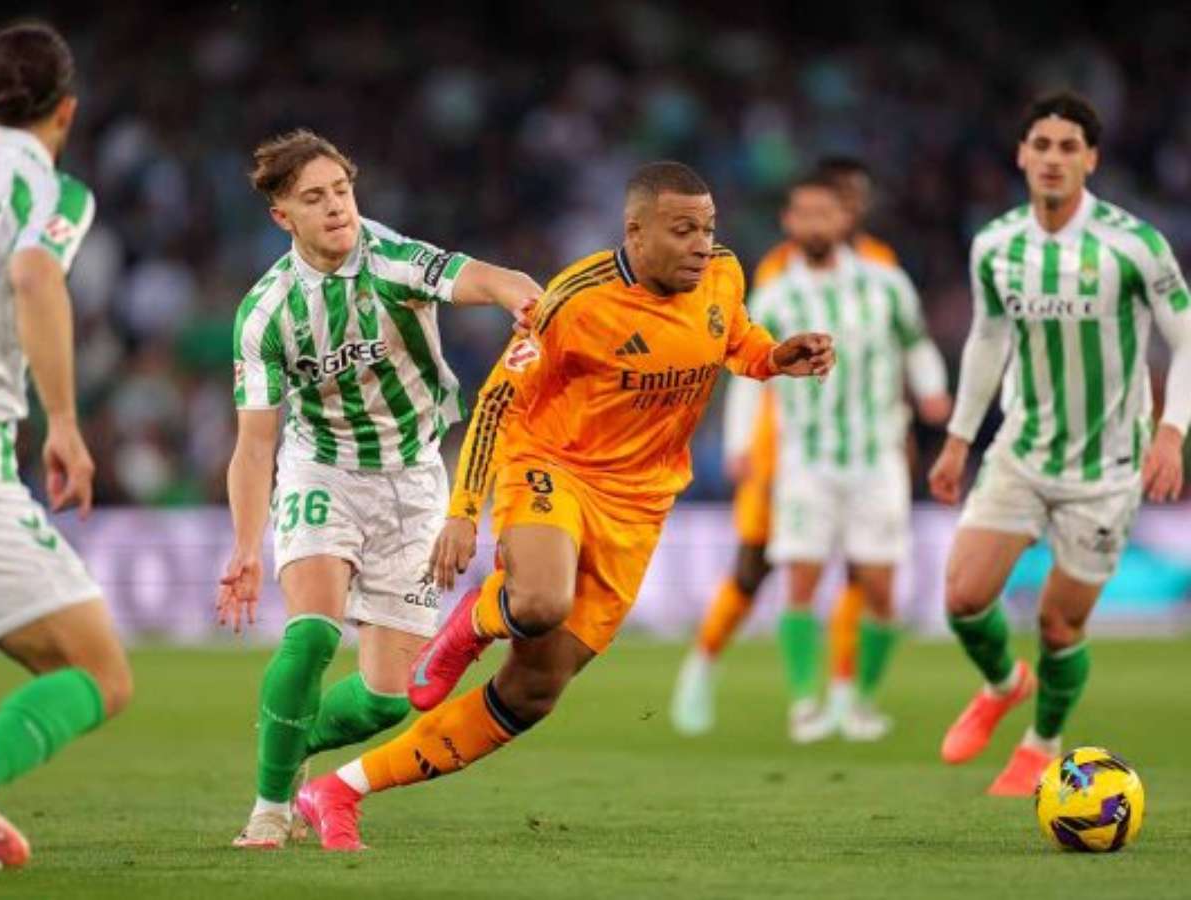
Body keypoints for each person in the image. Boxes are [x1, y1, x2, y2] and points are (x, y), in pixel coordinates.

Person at [293, 161, 835, 850]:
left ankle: (339, 790)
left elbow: (733, 336)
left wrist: (773, 357)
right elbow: (498, 398)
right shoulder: (573, 301)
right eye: (683, 231)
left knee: (532, 693)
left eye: (708, 229)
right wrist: (464, 509)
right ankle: (475, 620)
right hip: (555, 467)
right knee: (541, 601)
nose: (702, 245)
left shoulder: (724, 273)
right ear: (635, 232)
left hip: (640, 506)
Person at [215, 129, 541, 848]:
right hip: (322, 469)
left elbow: (486, 278)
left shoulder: (393, 259)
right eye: (314, 198)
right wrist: (244, 546)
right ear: (282, 216)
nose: (336, 207)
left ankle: (288, 740)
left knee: (388, 701)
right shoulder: (266, 313)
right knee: (312, 633)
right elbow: (256, 443)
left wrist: (524, 298)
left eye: (342, 190)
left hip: (415, 480)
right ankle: (269, 809)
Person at [929, 91, 1191, 795]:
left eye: (1068, 147)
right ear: (1022, 154)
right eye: (1041, 145)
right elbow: (987, 339)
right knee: (963, 597)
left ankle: (1041, 744)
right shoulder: (996, 245)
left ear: (1091, 159)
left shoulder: (1134, 245)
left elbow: (1187, 337)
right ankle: (1002, 683)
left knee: (1058, 622)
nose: (1052, 158)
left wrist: (1172, 432)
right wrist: (957, 441)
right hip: (1022, 451)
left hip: (1107, 466)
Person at [671, 158, 905, 737]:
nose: (846, 210)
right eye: (837, 198)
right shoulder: (779, 270)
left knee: (860, 573)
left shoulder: (880, 266)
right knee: (754, 568)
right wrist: (744, 442)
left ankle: (842, 690)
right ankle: (702, 663)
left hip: (860, 448)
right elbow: (752, 354)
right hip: (783, 447)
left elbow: (888, 352)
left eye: (854, 200)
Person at [0, 21, 133, 869]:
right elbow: (34, 273)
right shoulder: (50, 188)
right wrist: (66, 425)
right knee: (98, 672)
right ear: (66, 111)